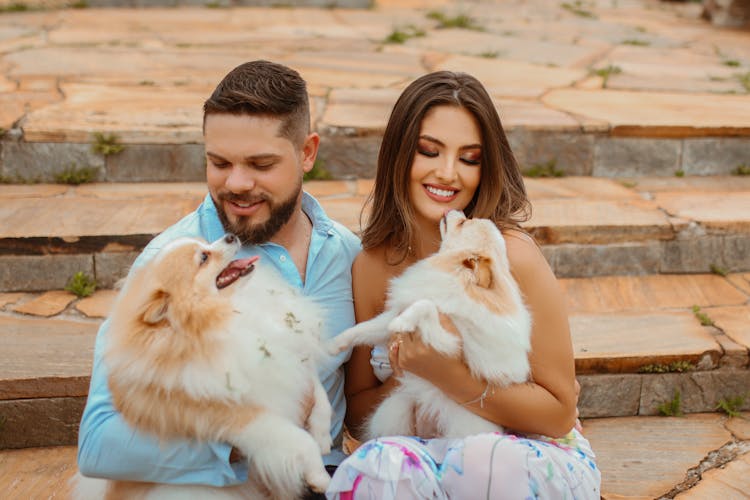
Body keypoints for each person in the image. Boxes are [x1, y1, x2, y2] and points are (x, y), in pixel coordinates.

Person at [77, 60, 360, 491]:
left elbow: (362, 403)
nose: (238, 183)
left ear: (307, 152)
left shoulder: (345, 254)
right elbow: (98, 446)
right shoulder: (165, 270)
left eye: (260, 164)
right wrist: (245, 439)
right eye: (220, 163)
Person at [326, 71, 601, 499]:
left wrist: (451, 373)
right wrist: (414, 369)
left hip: (524, 451)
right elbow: (360, 412)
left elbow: (559, 412)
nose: (448, 173)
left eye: (469, 158)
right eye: (428, 152)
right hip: (420, 451)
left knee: (482, 464)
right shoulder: (373, 265)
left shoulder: (509, 258)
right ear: (400, 154)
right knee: (376, 469)